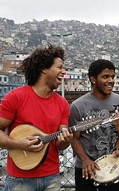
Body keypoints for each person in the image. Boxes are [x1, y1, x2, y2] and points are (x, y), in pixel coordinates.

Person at [0, 43, 73, 190]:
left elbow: (60, 145)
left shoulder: (63, 104)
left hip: (52, 177)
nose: (64, 72)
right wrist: (18, 144)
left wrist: (66, 141)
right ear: (44, 69)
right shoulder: (15, 97)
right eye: (59, 67)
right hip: (19, 179)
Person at [69, 59, 119, 191]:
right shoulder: (78, 106)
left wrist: (118, 148)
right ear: (93, 79)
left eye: (113, 77)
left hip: (111, 167)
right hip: (86, 168)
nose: (111, 80)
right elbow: (74, 137)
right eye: (105, 77)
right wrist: (85, 159)